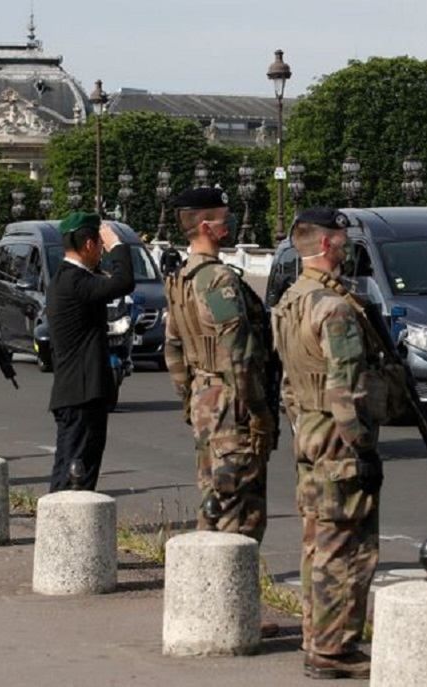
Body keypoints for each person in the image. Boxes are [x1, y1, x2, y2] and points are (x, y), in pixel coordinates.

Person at [272, 208, 397, 680]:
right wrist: (362, 445)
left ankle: (316, 636)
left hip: (309, 430)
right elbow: (347, 388)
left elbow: (287, 380)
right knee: (348, 547)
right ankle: (334, 647)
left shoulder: (290, 301)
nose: (347, 249)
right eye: (342, 242)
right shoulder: (336, 308)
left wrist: (305, 426)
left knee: (317, 541)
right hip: (339, 439)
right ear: (326, 246)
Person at [163, 187, 274, 543]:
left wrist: (189, 400)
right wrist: (259, 411)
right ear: (208, 227)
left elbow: (173, 350)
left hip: (203, 397)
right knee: (239, 505)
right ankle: (227, 585)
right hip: (231, 402)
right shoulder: (219, 280)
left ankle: (202, 577)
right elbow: (238, 352)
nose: (232, 226)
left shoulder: (181, 278)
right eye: (226, 220)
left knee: (213, 494)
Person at [46, 212, 135, 492]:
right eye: (100, 245)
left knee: (72, 466)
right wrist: (118, 246)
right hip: (81, 393)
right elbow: (123, 282)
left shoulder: (68, 277)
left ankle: (61, 526)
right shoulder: (75, 282)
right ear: (88, 245)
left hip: (77, 391)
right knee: (76, 472)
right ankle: (64, 528)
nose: (102, 251)